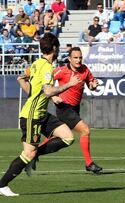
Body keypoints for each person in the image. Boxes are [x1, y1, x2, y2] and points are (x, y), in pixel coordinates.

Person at [0, 33, 81, 197]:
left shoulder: (36, 63)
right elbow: (48, 90)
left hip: (41, 113)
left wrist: (33, 93)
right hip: (32, 116)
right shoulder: (46, 68)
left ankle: (33, 157)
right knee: (28, 153)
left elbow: (20, 78)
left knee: (67, 137)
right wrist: (69, 84)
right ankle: (2, 185)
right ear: (55, 48)